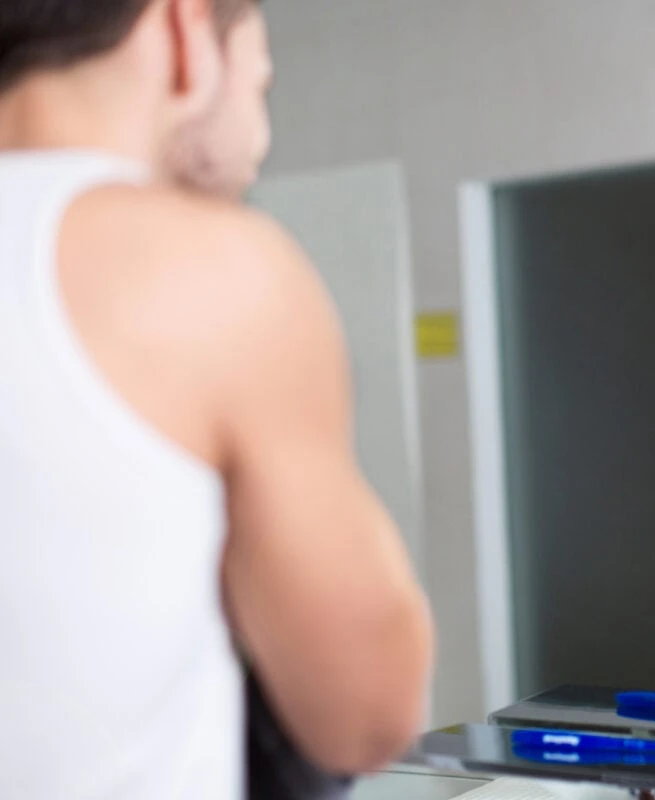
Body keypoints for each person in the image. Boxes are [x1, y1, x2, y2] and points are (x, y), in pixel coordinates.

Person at [0, 1, 434, 797]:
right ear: (183, 33)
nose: (259, 139)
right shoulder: (211, 269)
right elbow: (366, 716)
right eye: (259, 89)